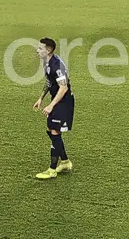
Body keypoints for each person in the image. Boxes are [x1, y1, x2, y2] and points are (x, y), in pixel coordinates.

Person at [33, 38, 75, 180]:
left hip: (64, 101)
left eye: (40, 48)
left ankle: (52, 170)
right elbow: (49, 82)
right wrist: (41, 98)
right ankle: (65, 162)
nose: (36, 50)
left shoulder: (57, 65)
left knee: (54, 131)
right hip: (57, 99)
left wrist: (51, 106)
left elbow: (63, 87)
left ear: (49, 50)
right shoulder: (47, 62)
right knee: (51, 129)